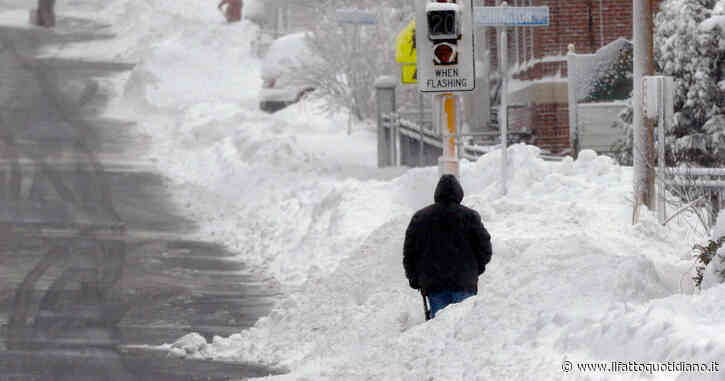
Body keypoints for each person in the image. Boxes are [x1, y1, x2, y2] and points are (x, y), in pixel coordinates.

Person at [403, 174, 492, 319]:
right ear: (459, 193)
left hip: (434, 284)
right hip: (464, 282)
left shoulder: (420, 218)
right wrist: (476, 269)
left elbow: (410, 252)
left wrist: (414, 278)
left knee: (438, 327)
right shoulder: (469, 216)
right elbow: (484, 247)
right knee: (463, 326)